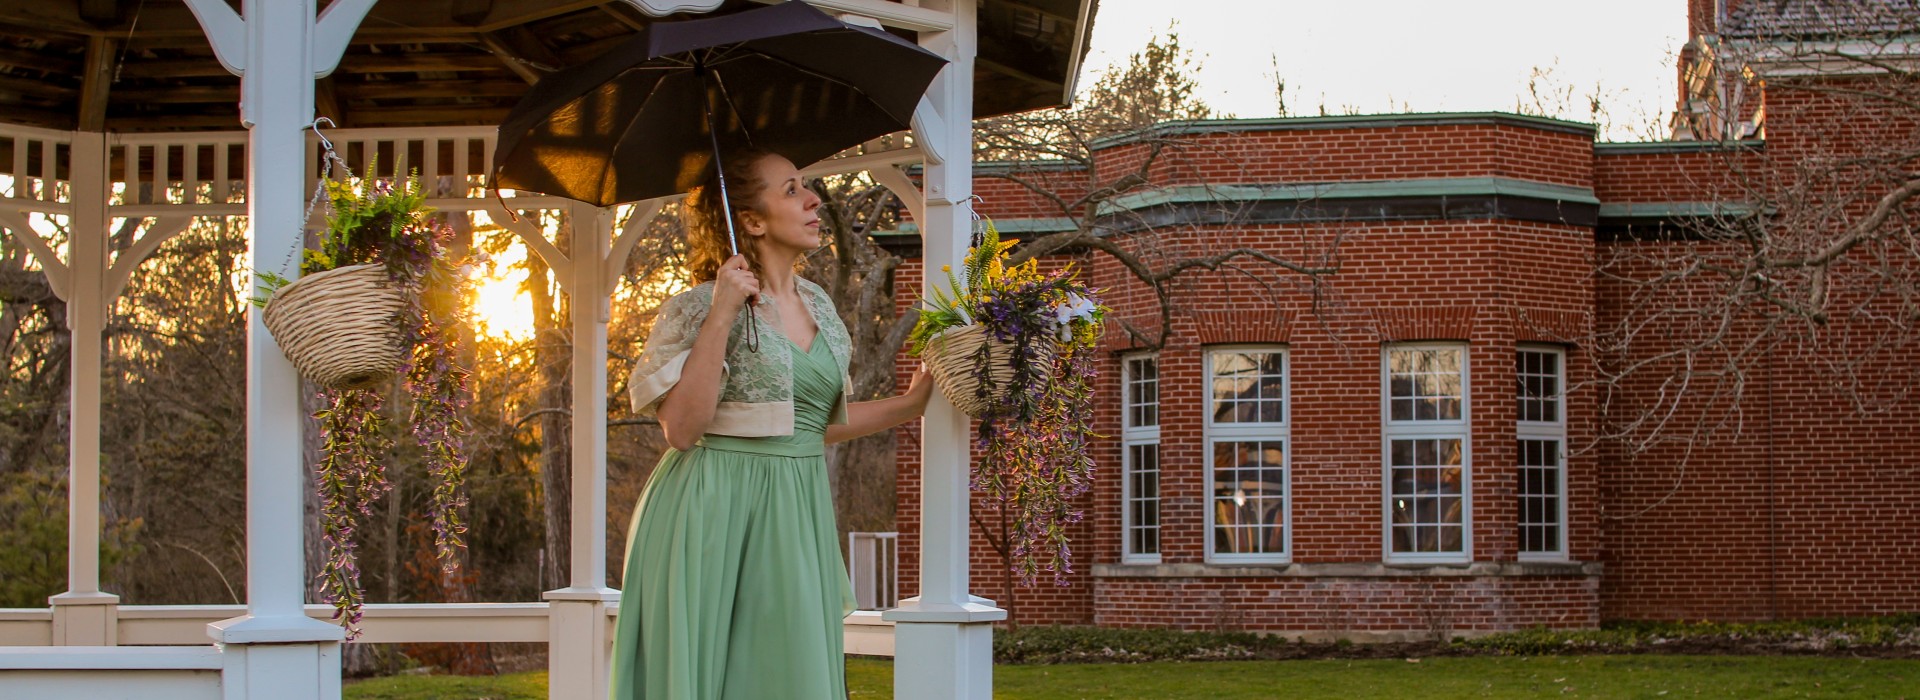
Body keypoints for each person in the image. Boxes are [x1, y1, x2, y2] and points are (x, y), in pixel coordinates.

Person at [610, 147, 934, 700]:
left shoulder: (820, 307)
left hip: (795, 507)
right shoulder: (694, 308)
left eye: (805, 186)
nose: (812, 200)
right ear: (752, 221)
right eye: (790, 190)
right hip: (709, 510)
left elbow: (805, 424)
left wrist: (909, 405)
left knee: (790, 674)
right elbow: (683, 431)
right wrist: (722, 312)